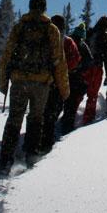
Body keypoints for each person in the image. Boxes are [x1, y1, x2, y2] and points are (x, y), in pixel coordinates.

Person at [0, 0, 69, 174]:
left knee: (14, 120)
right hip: (41, 83)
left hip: (19, 81)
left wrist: (4, 83)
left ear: (30, 6)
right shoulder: (51, 30)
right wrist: (64, 90)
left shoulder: (19, 28)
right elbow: (59, 61)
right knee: (36, 118)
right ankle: (31, 158)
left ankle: (5, 161)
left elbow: (6, 57)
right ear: (44, 8)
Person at [40, 15, 80, 152]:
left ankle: (34, 144)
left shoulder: (43, 38)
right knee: (52, 112)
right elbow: (76, 59)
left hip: (42, 81)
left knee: (42, 113)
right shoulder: (67, 41)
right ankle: (46, 144)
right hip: (58, 81)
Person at [60, 22, 94, 134]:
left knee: (62, 101)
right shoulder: (83, 45)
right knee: (72, 103)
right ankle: (67, 127)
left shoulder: (66, 41)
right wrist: (81, 69)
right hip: (76, 78)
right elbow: (89, 61)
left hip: (62, 76)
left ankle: (56, 126)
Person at [84, 15, 107, 123]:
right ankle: (88, 118)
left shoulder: (90, 32)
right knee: (93, 94)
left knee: (79, 92)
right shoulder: (105, 36)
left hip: (85, 66)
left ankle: (69, 117)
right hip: (97, 67)